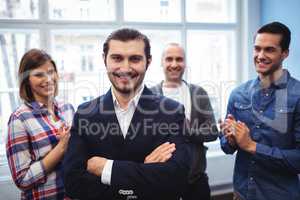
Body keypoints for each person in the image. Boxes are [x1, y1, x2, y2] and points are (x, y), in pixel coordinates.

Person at [63, 28, 191, 200]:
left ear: (148, 61)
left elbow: (177, 181)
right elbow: (73, 183)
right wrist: (145, 171)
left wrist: (107, 168)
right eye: (117, 58)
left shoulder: (173, 112)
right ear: (104, 60)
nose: (125, 68)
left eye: (135, 59)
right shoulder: (85, 113)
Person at [220, 21, 300, 200]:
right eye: (257, 48)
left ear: (285, 53)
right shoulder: (238, 94)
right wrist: (230, 140)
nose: (260, 55)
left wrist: (252, 146)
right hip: (242, 193)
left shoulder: (297, 96)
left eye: (269, 50)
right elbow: (226, 147)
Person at [151, 43, 218, 200]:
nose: (174, 64)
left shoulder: (198, 93)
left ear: (185, 63)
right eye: (169, 59)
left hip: (195, 180)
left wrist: (189, 130)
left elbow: (213, 132)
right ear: (161, 62)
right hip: (160, 180)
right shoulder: (149, 96)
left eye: (179, 59)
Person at [6, 49, 74, 200]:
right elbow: (22, 180)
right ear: (27, 80)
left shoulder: (67, 108)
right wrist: (61, 147)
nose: (48, 79)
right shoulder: (19, 119)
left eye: (51, 72)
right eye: (38, 74)